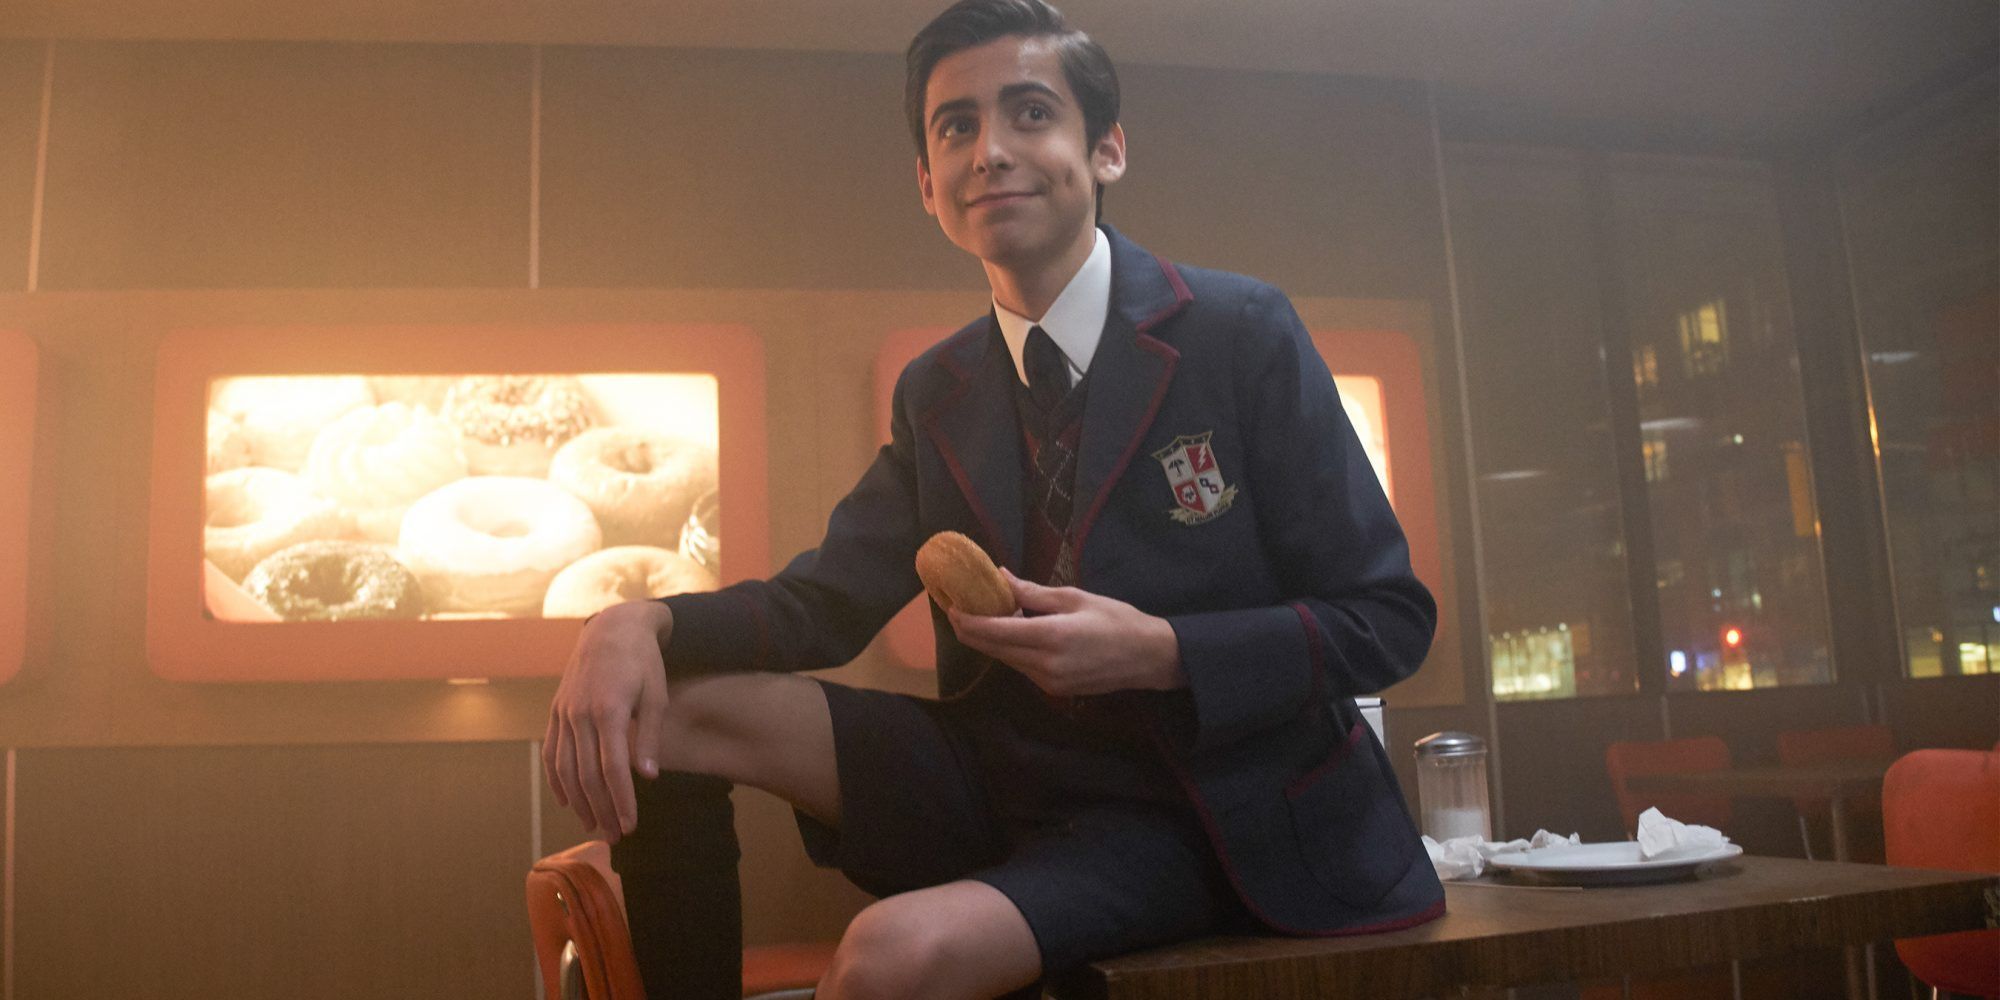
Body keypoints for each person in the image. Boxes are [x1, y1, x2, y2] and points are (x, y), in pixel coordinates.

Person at [542, 1, 1444, 997]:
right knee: (666, 714)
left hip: (1196, 808)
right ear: (926, 183)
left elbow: (1387, 619)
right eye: (955, 127)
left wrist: (1160, 651)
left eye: (1027, 113)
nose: (990, 151)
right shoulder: (939, 390)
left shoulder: (1238, 332)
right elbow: (824, 601)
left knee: (888, 955)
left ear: (1104, 148)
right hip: (997, 778)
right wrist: (643, 620)